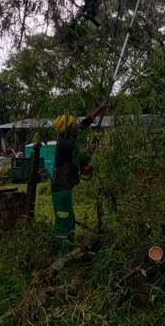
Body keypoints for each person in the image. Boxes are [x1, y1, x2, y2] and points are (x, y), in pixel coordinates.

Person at [51, 103, 106, 244]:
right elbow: (83, 159)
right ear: (69, 127)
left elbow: (84, 124)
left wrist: (100, 109)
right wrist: (91, 149)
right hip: (61, 188)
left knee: (69, 218)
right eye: (73, 122)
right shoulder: (66, 144)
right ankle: (62, 251)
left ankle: (68, 247)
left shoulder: (68, 137)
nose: (76, 123)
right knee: (64, 219)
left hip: (64, 186)